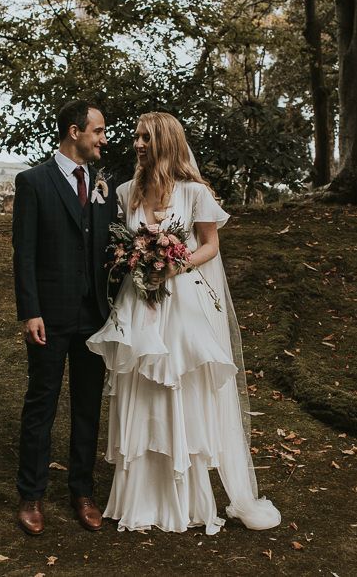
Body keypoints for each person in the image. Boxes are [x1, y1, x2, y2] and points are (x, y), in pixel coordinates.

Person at [86, 112, 281, 534]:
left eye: (146, 138)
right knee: (140, 389)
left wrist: (175, 265)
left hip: (181, 305)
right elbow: (117, 239)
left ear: (165, 143)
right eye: (136, 137)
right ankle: (138, 495)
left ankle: (187, 496)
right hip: (138, 305)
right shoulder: (125, 192)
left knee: (179, 390)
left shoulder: (195, 193)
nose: (137, 144)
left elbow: (211, 245)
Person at [12, 100, 118, 535]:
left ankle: (82, 491)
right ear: (75, 132)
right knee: (42, 403)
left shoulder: (102, 184)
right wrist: (30, 310)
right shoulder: (33, 181)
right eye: (98, 131)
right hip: (49, 316)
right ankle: (31, 495)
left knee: (88, 407)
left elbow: (108, 246)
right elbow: (26, 253)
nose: (103, 139)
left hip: (94, 314)